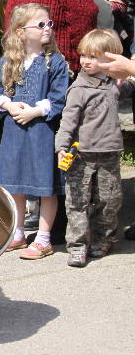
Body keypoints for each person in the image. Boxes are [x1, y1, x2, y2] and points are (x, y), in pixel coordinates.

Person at [0, 3, 69, 260]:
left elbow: (59, 98)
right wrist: (9, 105)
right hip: (15, 133)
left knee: (47, 187)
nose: (47, 29)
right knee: (15, 186)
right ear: (21, 32)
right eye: (40, 24)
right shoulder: (9, 61)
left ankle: (43, 238)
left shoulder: (54, 62)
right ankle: (18, 233)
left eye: (49, 24)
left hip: (42, 133)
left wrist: (34, 111)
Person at [55, 29, 134, 267]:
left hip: (109, 154)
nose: (86, 61)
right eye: (83, 55)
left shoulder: (113, 85)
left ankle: (103, 239)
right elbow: (68, 120)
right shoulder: (79, 89)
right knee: (77, 201)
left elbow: (128, 86)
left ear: (110, 59)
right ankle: (78, 246)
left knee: (110, 200)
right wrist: (62, 145)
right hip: (81, 155)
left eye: (93, 56)